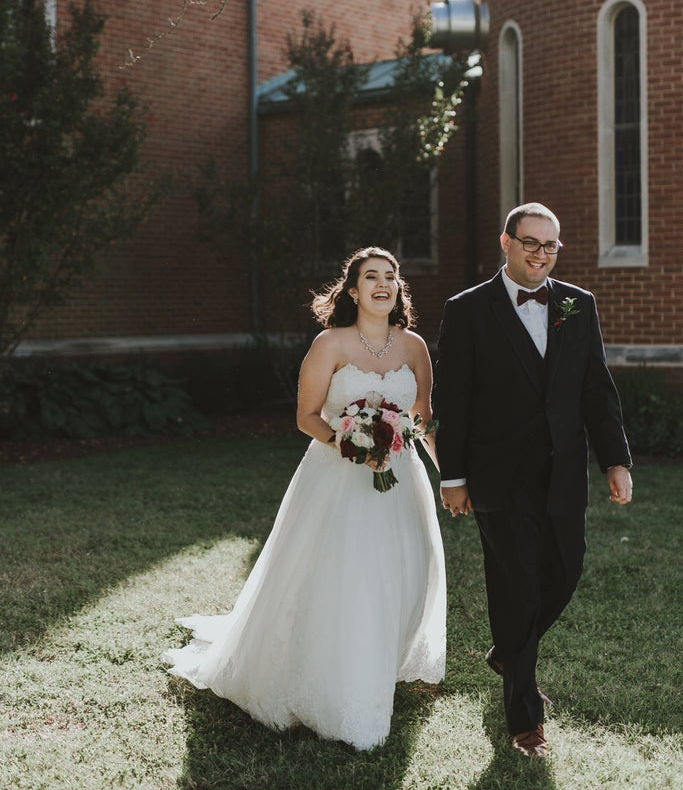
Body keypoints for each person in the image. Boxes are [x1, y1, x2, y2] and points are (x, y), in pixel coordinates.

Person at [163, 247, 446, 750]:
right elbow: (307, 416)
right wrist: (352, 442)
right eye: (371, 277)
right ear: (353, 290)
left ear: (398, 289)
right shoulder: (329, 343)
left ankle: (376, 664)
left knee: (401, 574)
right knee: (343, 576)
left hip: (402, 481)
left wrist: (449, 477)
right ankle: (339, 686)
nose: (383, 284)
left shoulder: (416, 348)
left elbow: (421, 420)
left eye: (391, 277)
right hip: (337, 479)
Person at [433, 203, 632, 759]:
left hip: (564, 472)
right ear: (506, 241)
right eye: (531, 243)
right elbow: (453, 399)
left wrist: (616, 460)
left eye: (550, 246)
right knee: (516, 587)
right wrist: (453, 475)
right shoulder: (468, 309)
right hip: (498, 476)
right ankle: (524, 717)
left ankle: (508, 653)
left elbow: (596, 387)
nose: (541, 254)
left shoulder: (577, 304)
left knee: (565, 572)